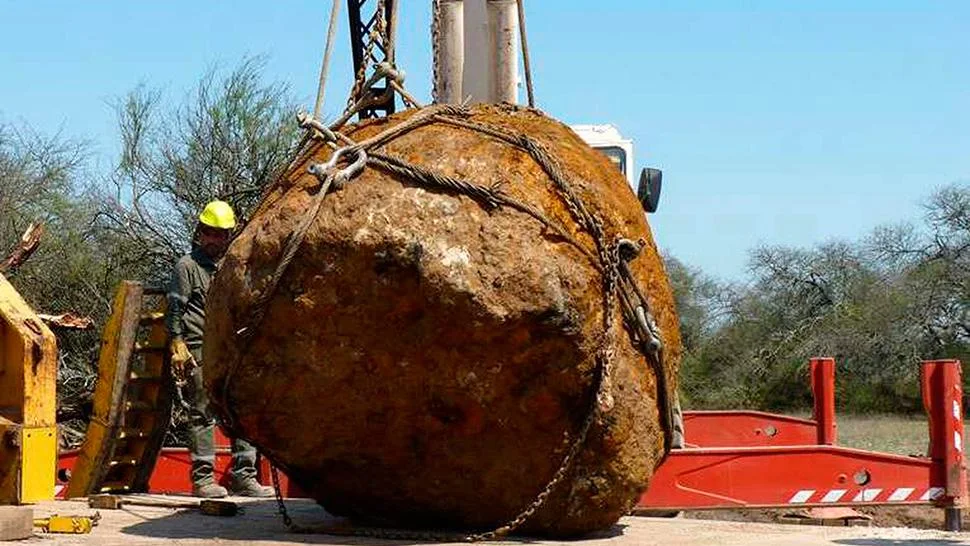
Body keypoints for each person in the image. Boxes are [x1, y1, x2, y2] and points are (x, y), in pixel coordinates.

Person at [165, 200, 273, 498]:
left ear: (230, 235)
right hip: (199, 349)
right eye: (210, 233)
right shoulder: (187, 267)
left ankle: (244, 476)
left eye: (221, 234)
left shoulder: (233, 265)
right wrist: (177, 342)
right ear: (200, 233)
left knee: (241, 409)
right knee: (201, 412)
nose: (215, 240)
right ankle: (202, 480)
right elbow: (175, 307)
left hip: (230, 349)